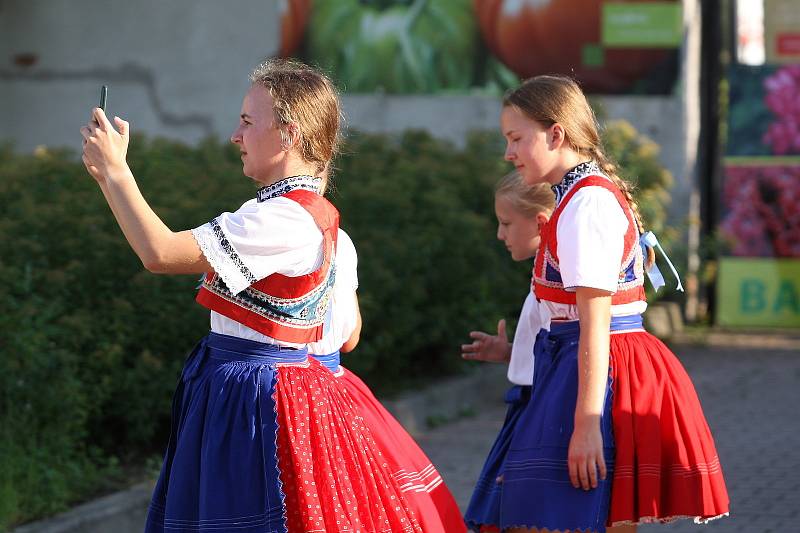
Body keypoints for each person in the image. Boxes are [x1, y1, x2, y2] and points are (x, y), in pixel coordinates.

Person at [81, 59, 423, 533]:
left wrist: (114, 175)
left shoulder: (281, 220)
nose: (235, 136)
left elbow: (159, 253)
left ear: (288, 134)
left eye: (246, 122)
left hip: (254, 401)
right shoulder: (326, 227)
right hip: (286, 395)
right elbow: (348, 337)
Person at [495, 76, 730, 533]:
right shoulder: (577, 199)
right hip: (583, 367)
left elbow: (594, 324)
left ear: (556, 134)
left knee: (577, 516)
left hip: (602, 373)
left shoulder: (588, 206)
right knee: (573, 515)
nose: (509, 152)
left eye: (516, 138)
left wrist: (587, 425)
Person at [306, 226, 467, 533]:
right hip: (339, 386)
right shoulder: (338, 236)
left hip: (292, 389)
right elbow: (351, 338)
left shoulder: (255, 224)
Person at [460, 171, 554, 532]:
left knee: (523, 513)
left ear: (540, 223)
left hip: (543, 409)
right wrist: (511, 352)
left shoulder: (557, 282)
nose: (499, 234)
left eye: (506, 223)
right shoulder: (543, 272)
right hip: (530, 406)